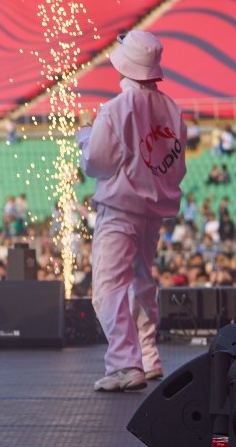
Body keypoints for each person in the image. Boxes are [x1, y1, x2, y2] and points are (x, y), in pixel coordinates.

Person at [78, 30, 185, 393]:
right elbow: (175, 165)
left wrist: (84, 139)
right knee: (141, 281)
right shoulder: (173, 109)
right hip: (152, 211)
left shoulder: (114, 109)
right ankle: (148, 357)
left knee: (108, 288)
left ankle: (125, 364)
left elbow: (96, 163)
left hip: (120, 210)